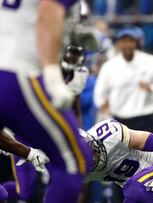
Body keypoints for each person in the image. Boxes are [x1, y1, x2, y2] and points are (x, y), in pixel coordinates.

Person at [0, 1, 92, 203]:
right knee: (75, 161)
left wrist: (28, 153)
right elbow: (48, 11)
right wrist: (51, 73)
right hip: (15, 71)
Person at [94, 27, 153, 135]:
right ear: (118, 44)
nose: (127, 45)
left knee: (151, 152)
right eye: (124, 41)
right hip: (120, 122)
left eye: (131, 41)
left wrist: (151, 87)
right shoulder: (109, 66)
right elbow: (99, 93)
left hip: (148, 120)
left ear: (137, 43)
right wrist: (103, 105)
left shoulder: (151, 61)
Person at [83, 119, 153, 203]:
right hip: (135, 192)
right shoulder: (80, 172)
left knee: (134, 189)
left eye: (92, 150)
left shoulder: (111, 134)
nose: (93, 158)